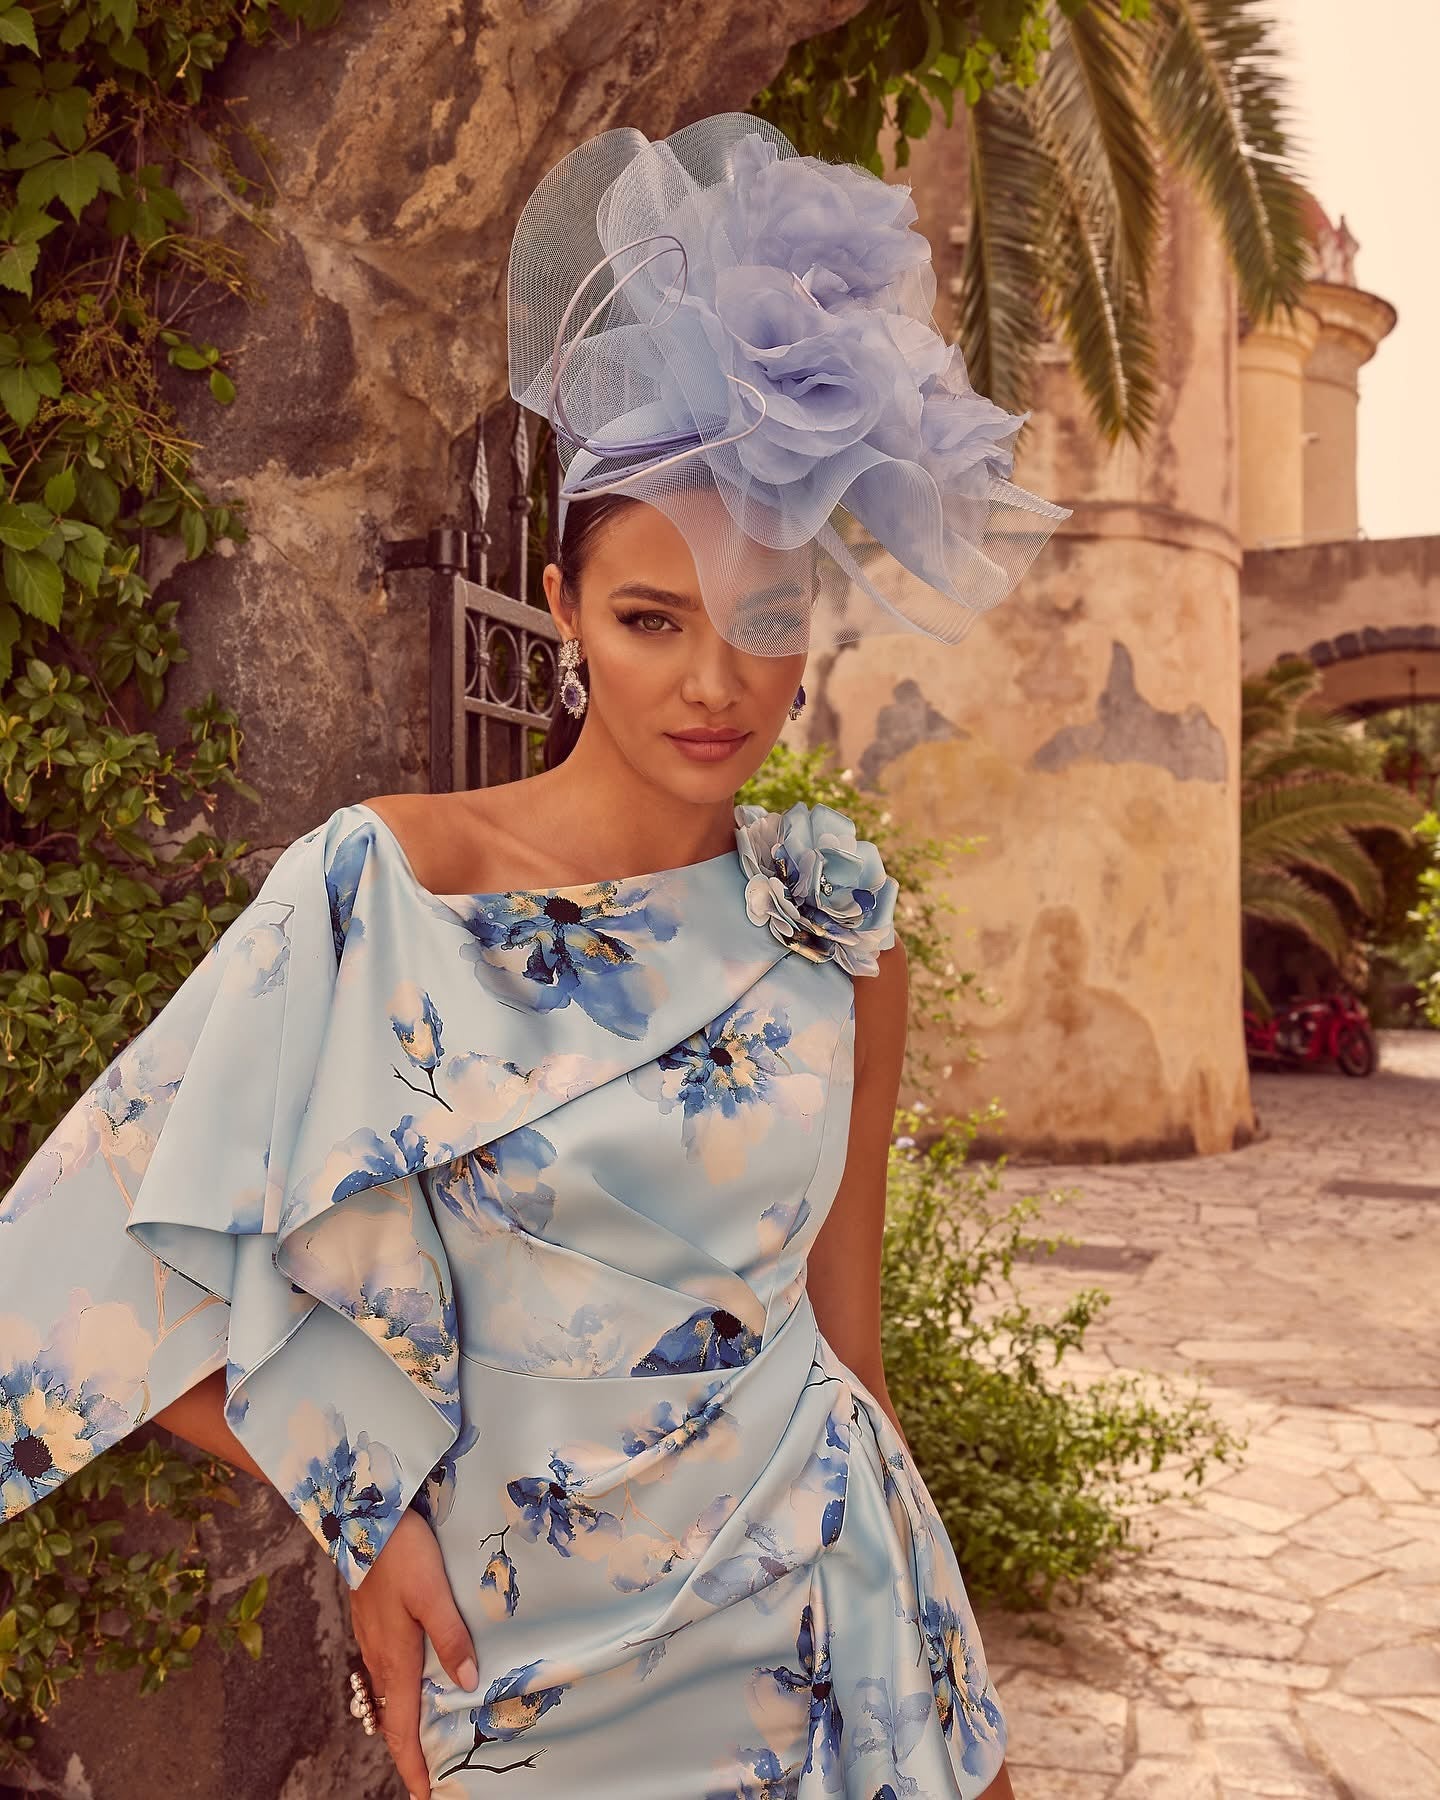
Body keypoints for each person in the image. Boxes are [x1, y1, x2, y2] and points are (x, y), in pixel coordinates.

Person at [0, 113, 1068, 1796]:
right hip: (532, 1663)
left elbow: (845, 1350)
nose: (716, 683)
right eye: (654, 619)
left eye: (768, 620)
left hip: (836, 1623)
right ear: (563, 609)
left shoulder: (841, 937)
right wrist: (360, 1516)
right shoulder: (384, 890)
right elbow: (79, 1276)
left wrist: (944, 1679)